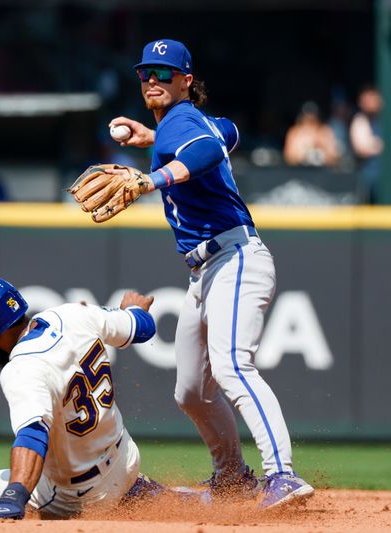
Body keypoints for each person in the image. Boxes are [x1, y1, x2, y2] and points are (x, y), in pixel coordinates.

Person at [102, 39, 314, 509]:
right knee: (192, 391)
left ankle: (284, 476)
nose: (153, 80)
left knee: (233, 366)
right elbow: (229, 133)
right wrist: (152, 139)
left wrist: (151, 177)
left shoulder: (181, 120)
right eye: (145, 74)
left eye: (164, 72)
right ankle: (233, 477)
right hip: (207, 270)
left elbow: (206, 154)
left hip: (234, 257)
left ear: (186, 80)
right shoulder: (183, 124)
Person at [0, 276, 194, 519]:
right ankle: (142, 492)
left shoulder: (21, 369)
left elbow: (33, 435)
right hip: (126, 461)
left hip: (82, 495)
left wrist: (13, 497)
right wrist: (132, 309)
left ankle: (113, 499)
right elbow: (143, 328)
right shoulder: (71, 314)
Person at [349, 84, 391, 203]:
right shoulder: (360, 120)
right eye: (366, 99)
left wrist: (378, 145)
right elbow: (361, 149)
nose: (370, 102)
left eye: (373, 98)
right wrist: (385, 145)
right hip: (371, 175)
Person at [283, 101, 340, 166]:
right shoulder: (295, 132)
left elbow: (334, 156)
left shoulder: (325, 131)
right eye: (307, 119)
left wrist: (321, 148)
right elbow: (288, 156)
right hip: (300, 171)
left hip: (323, 171)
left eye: (313, 120)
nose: (310, 121)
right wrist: (304, 155)